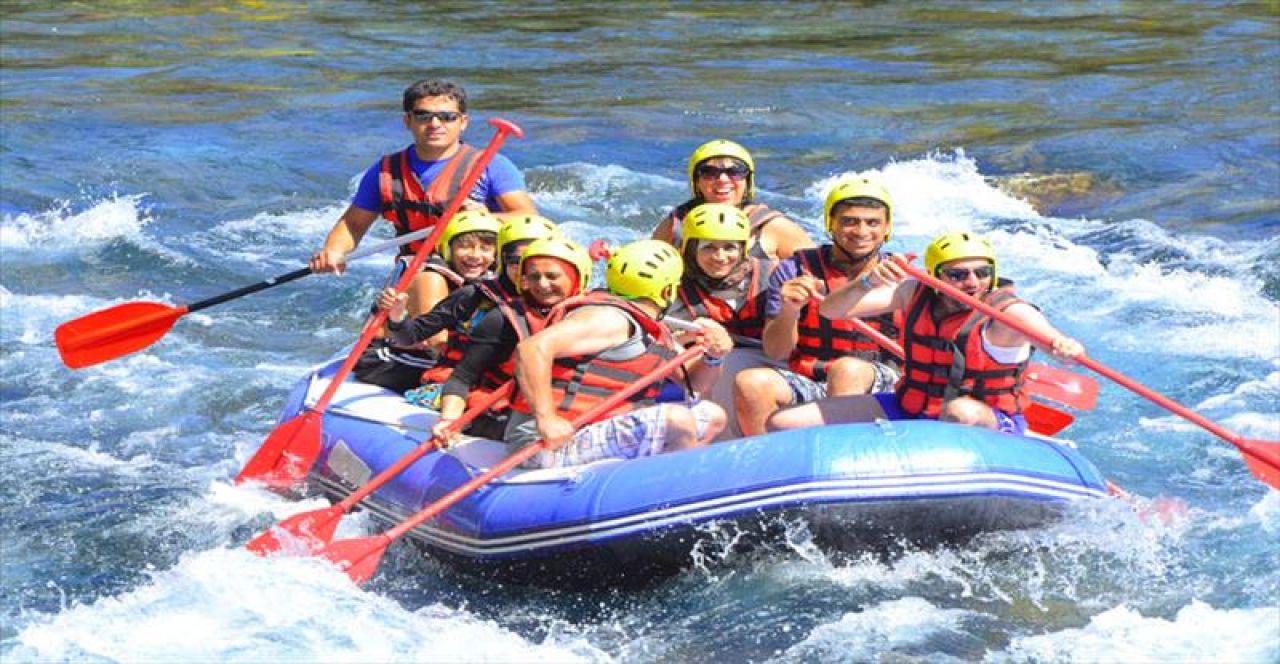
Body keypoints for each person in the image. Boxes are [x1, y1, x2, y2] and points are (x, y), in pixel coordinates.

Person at [767, 231, 1086, 435]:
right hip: (912, 407)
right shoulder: (911, 293)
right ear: (935, 277)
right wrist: (869, 281)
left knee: (958, 412)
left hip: (986, 419)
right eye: (958, 275)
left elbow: (1042, 331)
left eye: (982, 272)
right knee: (784, 422)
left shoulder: (1004, 313)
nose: (972, 282)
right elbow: (830, 310)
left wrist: (1061, 344)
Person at [309, 78, 537, 316]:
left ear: (463, 122)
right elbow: (353, 224)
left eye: (447, 117)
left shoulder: (492, 165)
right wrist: (333, 251)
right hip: (415, 268)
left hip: (478, 266)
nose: (435, 124)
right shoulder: (385, 172)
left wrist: (487, 217)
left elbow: (528, 217)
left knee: (430, 280)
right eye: (423, 116)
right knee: (427, 281)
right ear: (408, 120)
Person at [506, 239, 734, 469]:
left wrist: (714, 355)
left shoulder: (653, 328)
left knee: (711, 416)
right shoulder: (609, 319)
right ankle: (672, 482)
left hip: (590, 430)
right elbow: (531, 349)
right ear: (668, 290)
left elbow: (695, 384)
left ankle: (652, 477)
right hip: (545, 443)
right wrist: (546, 420)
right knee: (676, 421)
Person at [732, 176, 903, 436]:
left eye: (872, 223)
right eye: (849, 221)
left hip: (883, 383)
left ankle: (842, 450)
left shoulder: (903, 277)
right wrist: (790, 310)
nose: (861, 232)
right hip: (813, 379)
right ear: (830, 223)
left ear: (887, 227)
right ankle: (769, 457)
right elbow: (776, 352)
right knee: (751, 383)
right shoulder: (793, 270)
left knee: (847, 370)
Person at [370, 214, 557, 402]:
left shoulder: (560, 305)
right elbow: (411, 336)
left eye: (538, 263)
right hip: (459, 385)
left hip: (510, 388)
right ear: (503, 260)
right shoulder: (472, 295)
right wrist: (398, 316)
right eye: (516, 261)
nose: (526, 270)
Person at [418, 233, 587, 441]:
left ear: (578, 278)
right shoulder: (503, 319)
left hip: (576, 416)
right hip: (505, 415)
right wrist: (448, 420)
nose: (542, 285)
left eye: (552, 276)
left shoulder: (599, 318)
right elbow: (462, 378)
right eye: (534, 277)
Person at [353, 209, 501, 393]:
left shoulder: (488, 280)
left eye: (485, 249)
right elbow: (436, 343)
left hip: (422, 354)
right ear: (447, 249)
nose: (475, 255)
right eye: (465, 247)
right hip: (385, 358)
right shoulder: (431, 278)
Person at [651, 139, 814, 261]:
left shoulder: (774, 227)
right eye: (709, 172)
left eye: (734, 172)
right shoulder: (675, 226)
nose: (722, 179)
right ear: (696, 182)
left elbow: (817, 276)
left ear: (748, 181)